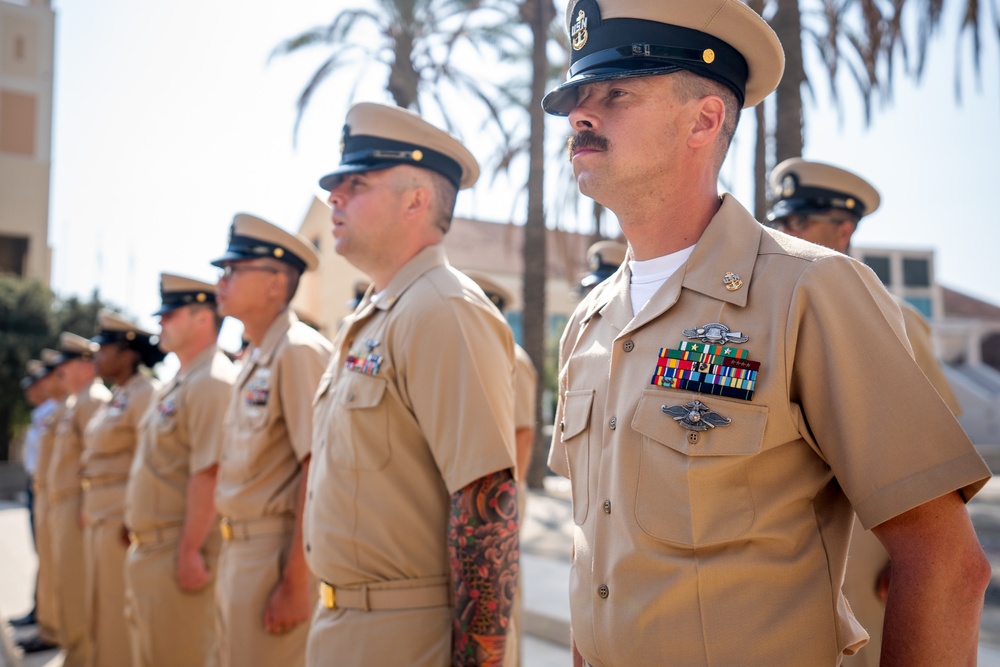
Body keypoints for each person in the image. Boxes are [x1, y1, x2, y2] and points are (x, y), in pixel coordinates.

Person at [543, 1, 991, 665]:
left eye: (616, 93)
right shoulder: (588, 321)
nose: (582, 113)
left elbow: (947, 563)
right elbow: (596, 562)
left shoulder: (809, 291)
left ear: (704, 120)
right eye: (578, 96)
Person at [304, 102, 519, 666]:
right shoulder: (378, 315)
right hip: (344, 624)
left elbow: (486, 509)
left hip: (402, 637)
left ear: (416, 200)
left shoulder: (443, 310)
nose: (335, 197)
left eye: (357, 184)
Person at [765, 157, 965, 667]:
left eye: (800, 221)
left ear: (845, 229)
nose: (787, 232)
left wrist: (919, 558)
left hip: (869, 545)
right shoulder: (770, 308)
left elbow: (936, 448)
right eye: (782, 221)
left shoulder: (888, 311)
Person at [211, 213, 332, 667]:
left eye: (234, 270)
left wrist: (296, 581)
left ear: (276, 284)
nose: (221, 281)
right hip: (238, 551)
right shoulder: (258, 356)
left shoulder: (298, 351)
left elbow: (316, 467)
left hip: (273, 556)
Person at [123, 274, 237, 667]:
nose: (159, 324)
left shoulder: (212, 382)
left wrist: (189, 551)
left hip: (178, 551)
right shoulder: (182, 381)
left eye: (169, 314)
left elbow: (210, 472)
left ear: (203, 318)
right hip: (154, 549)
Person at [464, 270, 537, 667]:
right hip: (481, 493)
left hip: (500, 496)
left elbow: (523, 432)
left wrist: (508, 499)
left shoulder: (514, 359)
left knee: (502, 604)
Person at [82, 309, 163, 667]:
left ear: (127, 353)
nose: (97, 356)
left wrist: (133, 516)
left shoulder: (144, 393)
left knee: (117, 612)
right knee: (97, 607)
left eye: (105, 349)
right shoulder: (120, 395)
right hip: (101, 511)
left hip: (121, 516)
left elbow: (147, 461)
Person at [46, 332, 111, 667]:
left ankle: (81, 657)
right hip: (64, 501)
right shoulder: (78, 400)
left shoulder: (94, 399)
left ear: (86, 365)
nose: (61, 373)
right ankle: (74, 653)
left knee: (76, 589)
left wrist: (87, 503)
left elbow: (95, 457)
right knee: (64, 586)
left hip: (78, 505)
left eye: (67, 365)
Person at [9, 359, 61, 654]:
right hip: (38, 486)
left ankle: (48, 618)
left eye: (37, 382)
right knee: (42, 554)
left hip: (51, 490)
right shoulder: (44, 413)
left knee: (50, 556)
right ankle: (41, 611)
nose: (32, 389)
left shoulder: (57, 411)